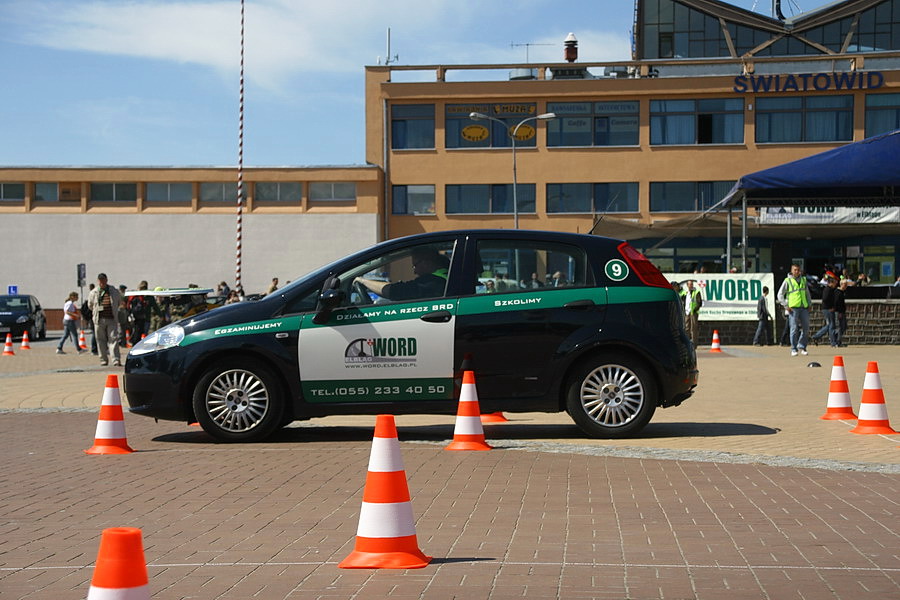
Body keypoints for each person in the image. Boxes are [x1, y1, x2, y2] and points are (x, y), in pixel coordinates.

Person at [356, 247, 449, 302]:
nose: (415, 272)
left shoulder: (433, 281)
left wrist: (362, 281)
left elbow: (395, 291)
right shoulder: (445, 275)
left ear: (426, 262)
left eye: (415, 265)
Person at [87, 273, 123, 367]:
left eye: (103, 280)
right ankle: (103, 359)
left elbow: (118, 302)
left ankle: (116, 360)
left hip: (111, 319)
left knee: (113, 339)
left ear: (106, 280)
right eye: (100, 280)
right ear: (98, 281)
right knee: (100, 340)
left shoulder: (113, 291)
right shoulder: (94, 292)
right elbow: (90, 305)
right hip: (99, 320)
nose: (102, 282)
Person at [777, 263, 811, 357]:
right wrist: (785, 305)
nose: (797, 271)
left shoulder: (803, 280)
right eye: (795, 270)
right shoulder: (787, 281)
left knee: (806, 328)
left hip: (803, 307)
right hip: (793, 308)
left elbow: (807, 293)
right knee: (794, 328)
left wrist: (809, 303)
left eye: (798, 270)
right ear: (792, 271)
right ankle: (794, 348)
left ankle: (802, 346)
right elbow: (780, 294)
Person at [811, 275, 838, 347]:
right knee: (831, 325)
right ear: (831, 283)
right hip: (827, 309)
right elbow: (825, 299)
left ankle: (816, 336)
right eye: (835, 283)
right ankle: (833, 342)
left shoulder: (830, 290)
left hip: (827, 308)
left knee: (829, 325)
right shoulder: (828, 289)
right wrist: (830, 307)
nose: (836, 285)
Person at [679, 279, 703, 346]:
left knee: (693, 329)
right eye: (690, 284)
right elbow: (683, 302)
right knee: (686, 328)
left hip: (693, 313)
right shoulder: (685, 293)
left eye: (692, 284)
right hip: (687, 312)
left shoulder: (696, 292)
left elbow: (699, 302)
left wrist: (695, 309)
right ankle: (687, 343)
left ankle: (694, 344)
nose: (691, 285)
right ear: (687, 285)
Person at [81, 283, 98, 354]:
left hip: (91, 317)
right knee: (95, 333)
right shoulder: (93, 296)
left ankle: (95, 349)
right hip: (93, 317)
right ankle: (94, 349)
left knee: (95, 333)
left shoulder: (89, 296)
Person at [833, 278, 848, 347]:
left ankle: (837, 340)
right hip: (838, 312)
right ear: (841, 284)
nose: (846, 286)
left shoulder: (842, 292)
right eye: (845, 284)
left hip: (842, 311)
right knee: (839, 327)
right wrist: (838, 312)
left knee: (844, 326)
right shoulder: (837, 292)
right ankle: (837, 342)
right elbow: (836, 303)